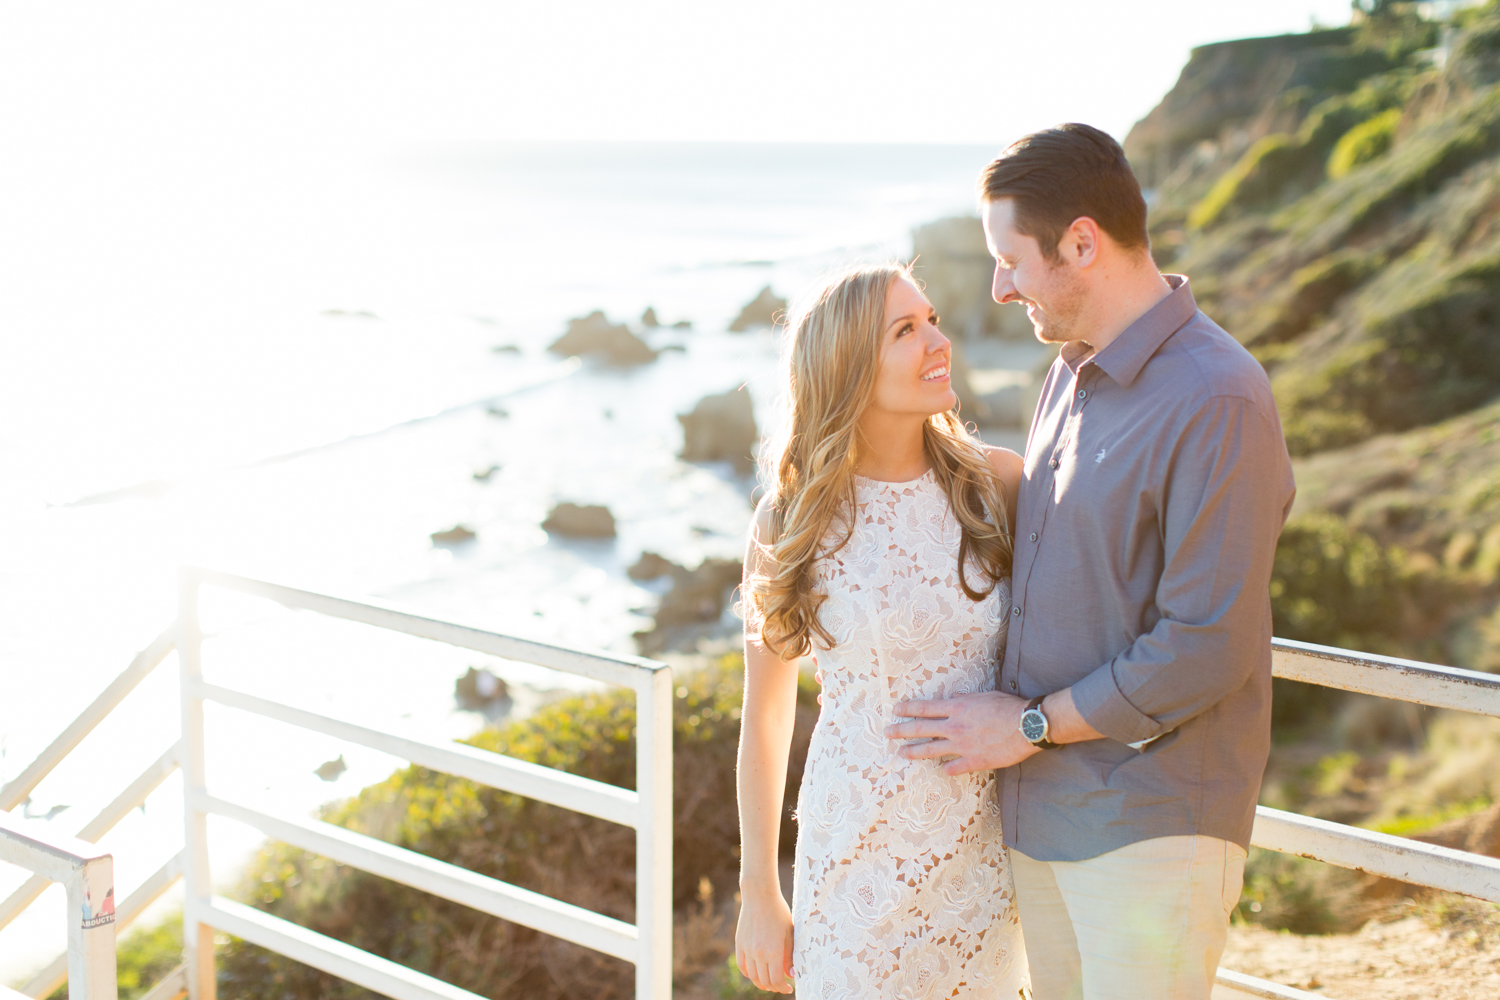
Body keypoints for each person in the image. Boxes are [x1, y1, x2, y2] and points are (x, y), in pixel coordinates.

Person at [886, 123, 1296, 1000]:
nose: (997, 288)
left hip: (1149, 831)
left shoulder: (1218, 397)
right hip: (1040, 821)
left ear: (1081, 242)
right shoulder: (1069, 374)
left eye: (1011, 261)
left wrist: (1027, 725)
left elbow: (1208, 643)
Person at [734, 264, 1030, 998]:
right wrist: (759, 893)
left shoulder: (999, 487)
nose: (939, 341)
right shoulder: (790, 518)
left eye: (931, 319)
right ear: (848, 367)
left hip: (981, 858)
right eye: (906, 331)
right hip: (851, 859)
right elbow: (766, 718)